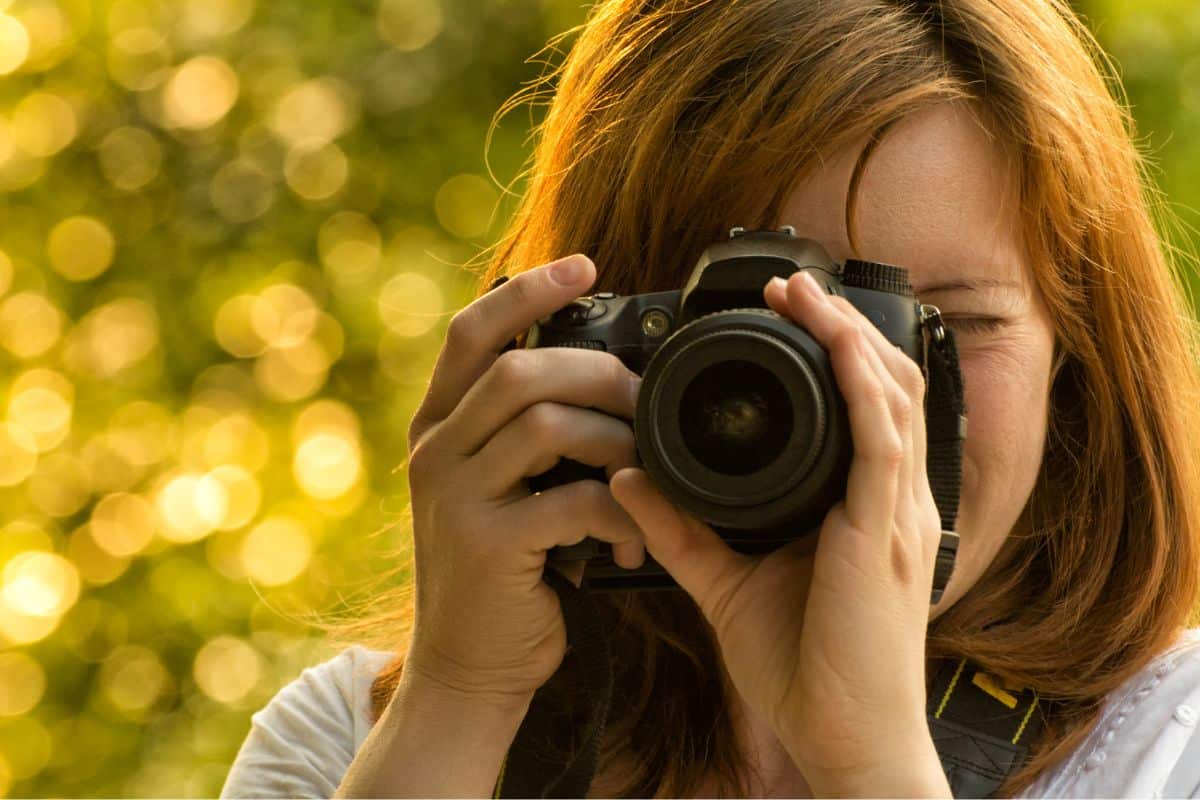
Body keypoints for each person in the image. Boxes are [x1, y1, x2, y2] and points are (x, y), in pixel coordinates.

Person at [220, 0, 1200, 796]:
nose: (865, 396)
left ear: (1079, 357)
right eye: (758, 337)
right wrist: (462, 696)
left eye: (938, 325)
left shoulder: (1170, 745)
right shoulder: (357, 740)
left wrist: (871, 760)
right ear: (591, 333)